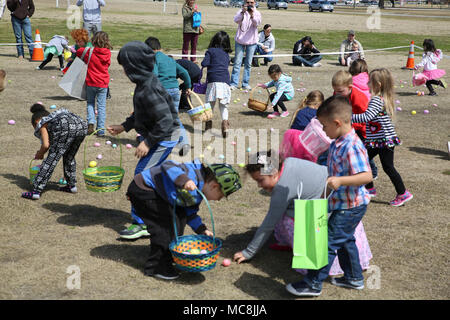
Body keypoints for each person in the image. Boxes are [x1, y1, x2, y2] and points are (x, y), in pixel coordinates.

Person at [233, 152, 372, 278]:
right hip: (344, 207)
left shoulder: (281, 190)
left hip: (327, 218)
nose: (259, 186)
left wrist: (248, 252)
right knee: (286, 211)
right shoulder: (289, 161)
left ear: (274, 172)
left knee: (285, 217)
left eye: (260, 180)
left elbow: (269, 224)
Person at [285, 95, 373, 297]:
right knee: (345, 240)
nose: (323, 131)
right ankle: (354, 278)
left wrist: (341, 181)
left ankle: (313, 283)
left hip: (351, 206)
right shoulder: (337, 142)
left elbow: (366, 175)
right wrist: (323, 197)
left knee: (328, 242)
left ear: (337, 122)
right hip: (340, 202)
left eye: (324, 126)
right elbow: (332, 176)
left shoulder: (352, 146)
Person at [107, 41, 182, 240]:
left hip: (164, 138)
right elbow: (141, 114)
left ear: (135, 66)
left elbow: (165, 121)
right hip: (162, 134)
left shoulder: (149, 88)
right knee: (153, 177)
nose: (123, 71)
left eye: (125, 66)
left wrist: (148, 142)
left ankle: (141, 223)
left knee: (141, 177)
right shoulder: (144, 84)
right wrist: (125, 126)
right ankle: (160, 212)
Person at [128, 161, 241, 280]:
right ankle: (156, 267)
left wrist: (202, 229)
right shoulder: (191, 175)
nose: (218, 200)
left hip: (161, 196)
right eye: (221, 196)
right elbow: (167, 165)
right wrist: (184, 180)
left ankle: (169, 255)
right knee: (165, 227)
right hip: (144, 190)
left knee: (179, 218)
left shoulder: (198, 192)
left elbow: (189, 212)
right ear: (214, 186)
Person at [352, 68, 413, 206]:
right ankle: (369, 188)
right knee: (364, 160)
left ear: (378, 84)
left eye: (369, 82)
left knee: (388, 167)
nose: (367, 84)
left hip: (383, 141)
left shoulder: (376, 100)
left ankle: (402, 193)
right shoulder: (382, 99)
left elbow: (366, 117)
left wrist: (348, 117)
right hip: (377, 141)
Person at [21, 104, 87, 200]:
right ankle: (71, 186)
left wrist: (40, 153)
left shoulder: (42, 123)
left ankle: (36, 191)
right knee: (69, 156)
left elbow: (45, 145)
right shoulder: (55, 117)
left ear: (36, 122)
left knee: (51, 159)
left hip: (66, 126)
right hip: (82, 125)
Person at [145, 36, 191, 154]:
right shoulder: (170, 60)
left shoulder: (153, 59)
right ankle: (184, 142)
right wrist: (188, 86)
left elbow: (154, 74)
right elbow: (185, 73)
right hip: (175, 91)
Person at [332, 70, 378, 180]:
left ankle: (373, 172)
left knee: (362, 151)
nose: (336, 93)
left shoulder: (359, 98)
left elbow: (366, 117)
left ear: (350, 87)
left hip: (361, 130)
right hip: (347, 127)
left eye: (340, 91)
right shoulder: (338, 94)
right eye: (335, 91)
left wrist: (352, 124)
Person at [76, 31, 111, 137]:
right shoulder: (108, 53)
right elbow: (108, 64)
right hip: (103, 83)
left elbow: (78, 52)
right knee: (101, 106)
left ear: (93, 40)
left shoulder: (89, 51)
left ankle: (91, 122)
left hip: (91, 82)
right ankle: (100, 129)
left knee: (90, 103)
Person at [201, 31, 233, 138]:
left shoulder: (210, 51)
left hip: (213, 81)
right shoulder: (226, 54)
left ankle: (208, 127)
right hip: (225, 81)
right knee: (223, 105)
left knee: (209, 105)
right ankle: (225, 124)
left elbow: (204, 63)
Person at [229, 0, 262, 90]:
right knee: (237, 63)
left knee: (248, 63)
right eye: (248, 2)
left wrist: (252, 15)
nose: (250, 4)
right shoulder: (240, 11)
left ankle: (245, 83)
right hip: (240, 40)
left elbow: (257, 23)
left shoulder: (257, 13)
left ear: (254, 3)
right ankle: (233, 83)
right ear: (244, 3)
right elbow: (236, 20)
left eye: (252, 2)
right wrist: (242, 13)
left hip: (251, 42)